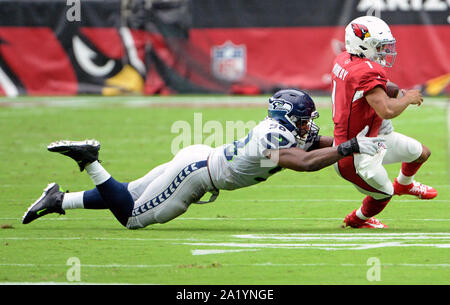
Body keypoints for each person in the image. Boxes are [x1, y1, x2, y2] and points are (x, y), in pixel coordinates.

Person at [22, 89, 384, 229]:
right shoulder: (274, 138)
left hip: (199, 159)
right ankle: (89, 160)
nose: (308, 125)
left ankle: (59, 200)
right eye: (304, 118)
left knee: (128, 192)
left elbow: (315, 143)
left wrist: (352, 140)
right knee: (132, 217)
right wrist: (347, 148)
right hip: (197, 174)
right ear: (290, 117)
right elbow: (304, 162)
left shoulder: (284, 131)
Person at [331, 16, 437, 229]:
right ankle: (357, 219)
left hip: (371, 136)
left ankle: (404, 185)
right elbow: (387, 110)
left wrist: (395, 90)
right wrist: (408, 98)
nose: (384, 51)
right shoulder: (366, 71)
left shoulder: (345, 58)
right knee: (384, 194)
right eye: (379, 46)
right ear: (362, 45)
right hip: (354, 154)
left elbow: (376, 86)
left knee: (421, 153)